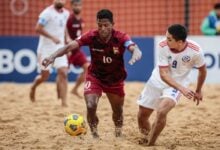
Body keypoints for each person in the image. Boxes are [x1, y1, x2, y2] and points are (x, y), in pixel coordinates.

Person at [42, 9, 142, 138]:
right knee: (90, 105)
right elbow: (70, 46)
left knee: (118, 111)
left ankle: (118, 133)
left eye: (106, 25)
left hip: (115, 80)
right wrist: (53, 56)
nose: (103, 28)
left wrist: (136, 51)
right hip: (95, 76)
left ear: (113, 24)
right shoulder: (91, 36)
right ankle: (94, 134)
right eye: (100, 25)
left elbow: (131, 45)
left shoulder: (121, 37)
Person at [137, 24, 207, 146]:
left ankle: (150, 144)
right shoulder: (163, 46)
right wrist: (182, 89)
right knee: (142, 116)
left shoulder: (196, 51)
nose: (166, 40)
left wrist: (199, 90)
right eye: (166, 37)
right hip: (157, 80)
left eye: (169, 39)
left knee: (161, 112)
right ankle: (145, 137)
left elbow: (202, 70)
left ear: (179, 42)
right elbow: (163, 74)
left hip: (178, 83)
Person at [29, 0, 69, 107]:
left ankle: (64, 103)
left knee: (63, 73)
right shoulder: (47, 13)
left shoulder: (66, 13)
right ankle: (33, 87)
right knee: (45, 76)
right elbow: (38, 28)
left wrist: (67, 38)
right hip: (45, 49)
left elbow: (64, 28)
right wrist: (52, 37)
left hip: (60, 47)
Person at [66, 0, 89, 98]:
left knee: (87, 67)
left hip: (77, 50)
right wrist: (68, 47)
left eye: (79, 5)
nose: (78, 7)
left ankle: (74, 89)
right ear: (71, 6)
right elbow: (64, 33)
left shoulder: (81, 20)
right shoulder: (69, 19)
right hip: (67, 50)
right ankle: (60, 96)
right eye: (75, 5)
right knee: (62, 73)